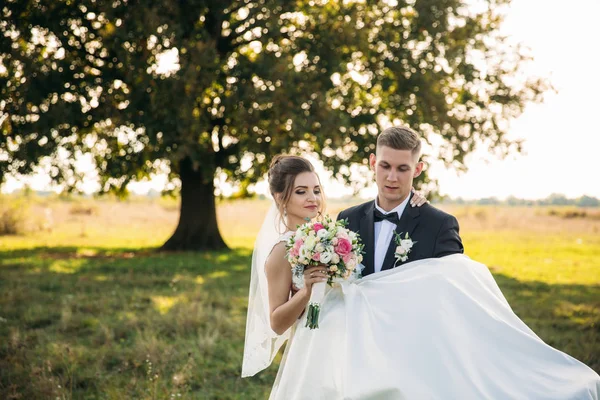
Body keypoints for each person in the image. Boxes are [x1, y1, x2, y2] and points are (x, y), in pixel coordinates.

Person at [242, 139, 600, 399]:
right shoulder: (345, 221)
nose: (393, 177)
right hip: (341, 347)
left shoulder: (436, 224)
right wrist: (308, 293)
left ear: (418, 169)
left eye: (403, 168)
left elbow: (457, 292)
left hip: (414, 353)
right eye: (385, 166)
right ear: (372, 164)